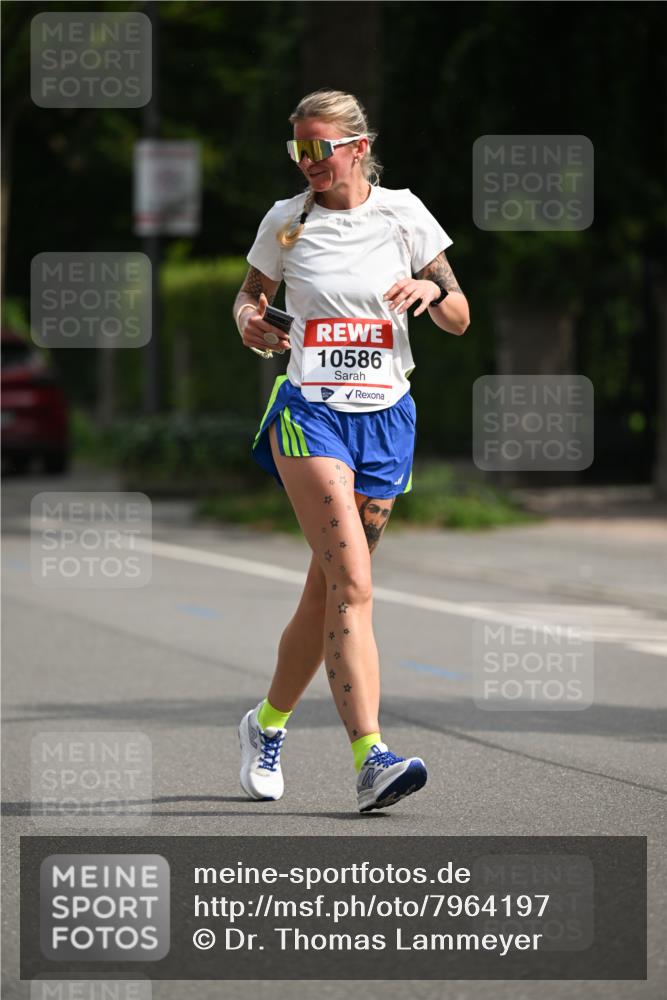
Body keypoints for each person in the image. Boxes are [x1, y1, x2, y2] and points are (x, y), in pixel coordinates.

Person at [233, 89, 469, 812]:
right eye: (297, 150)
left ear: (357, 148)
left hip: (387, 418)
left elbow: (460, 315)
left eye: (320, 148)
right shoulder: (286, 221)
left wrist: (429, 294)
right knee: (356, 588)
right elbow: (247, 298)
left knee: (328, 590)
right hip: (310, 416)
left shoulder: (403, 214)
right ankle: (372, 757)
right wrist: (249, 322)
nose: (308, 162)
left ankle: (266, 723)